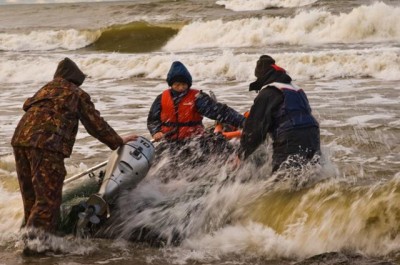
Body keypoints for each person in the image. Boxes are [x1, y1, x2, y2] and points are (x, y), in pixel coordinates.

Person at [11, 58, 138, 239]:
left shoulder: (44, 90)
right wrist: (118, 141)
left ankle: (27, 239)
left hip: (19, 141)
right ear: (76, 79)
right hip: (47, 145)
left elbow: (27, 105)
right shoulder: (75, 93)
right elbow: (95, 124)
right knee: (48, 199)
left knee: (31, 197)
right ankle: (36, 246)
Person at [239, 55, 320, 172]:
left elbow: (255, 130)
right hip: (313, 134)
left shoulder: (267, 92)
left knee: (281, 182)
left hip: (290, 136)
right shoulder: (297, 90)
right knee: (309, 176)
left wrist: (241, 155)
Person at [147, 61, 245, 142]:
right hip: (169, 142)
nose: (181, 88)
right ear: (171, 85)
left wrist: (244, 122)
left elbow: (220, 112)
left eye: (184, 84)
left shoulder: (198, 98)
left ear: (188, 84)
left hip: (195, 141)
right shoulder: (161, 99)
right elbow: (152, 120)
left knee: (219, 144)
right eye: (177, 85)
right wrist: (156, 131)